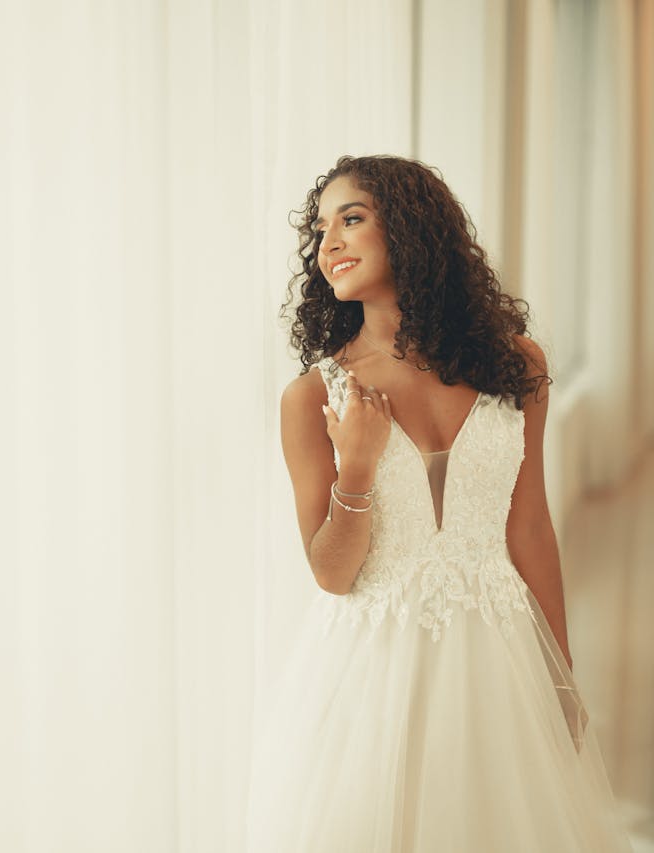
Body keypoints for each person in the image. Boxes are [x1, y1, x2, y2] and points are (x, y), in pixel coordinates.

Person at [245, 154, 632, 851]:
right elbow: (332, 574)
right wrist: (356, 467)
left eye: (352, 218)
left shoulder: (517, 363)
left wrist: (562, 675)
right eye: (320, 229)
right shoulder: (312, 397)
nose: (329, 242)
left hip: (501, 656)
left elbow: (531, 527)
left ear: (414, 227)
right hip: (371, 676)